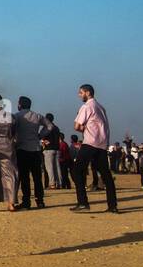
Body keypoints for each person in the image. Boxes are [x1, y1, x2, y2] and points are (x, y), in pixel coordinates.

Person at [72, 84, 119, 213]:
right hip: (102, 144)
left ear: (87, 92)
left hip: (90, 142)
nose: (79, 95)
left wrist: (84, 128)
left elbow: (77, 126)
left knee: (76, 170)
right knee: (106, 175)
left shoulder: (87, 106)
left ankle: (82, 202)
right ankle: (112, 205)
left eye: (81, 92)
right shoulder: (101, 107)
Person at [41, 113, 63, 191]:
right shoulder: (56, 128)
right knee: (57, 167)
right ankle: (59, 183)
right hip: (57, 149)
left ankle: (52, 184)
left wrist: (43, 141)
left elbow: (41, 137)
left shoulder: (46, 127)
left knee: (49, 168)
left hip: (48, 149)